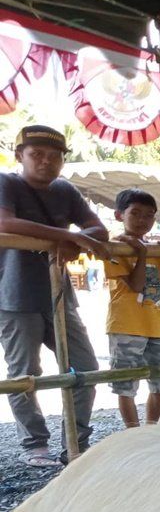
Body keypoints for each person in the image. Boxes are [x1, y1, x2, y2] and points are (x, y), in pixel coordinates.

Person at [0, 125, 107, 466]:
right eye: (37, 155)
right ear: (20, 157)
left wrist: (78, 238)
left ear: (63, 160)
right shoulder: (7, 183)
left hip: (59, 295)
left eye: (54, 156)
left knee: (85, 368)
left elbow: (98, 229)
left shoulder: (65, 190)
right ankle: (35, 444)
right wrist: (67, 237)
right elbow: (5, 223)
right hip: (14, 296)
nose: (46, 162)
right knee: (24, 374)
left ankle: (74, 442)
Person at [105, 189, 160, 429]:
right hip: (126, 325)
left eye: (149, 215)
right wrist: (140, 254)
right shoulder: (114, 247)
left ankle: (149, 428)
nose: (142, 220)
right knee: (126, 384)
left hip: (157, 326)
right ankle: (133, 431)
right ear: (120, 215)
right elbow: (136, 285)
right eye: (135, 213)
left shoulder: (153, 249)